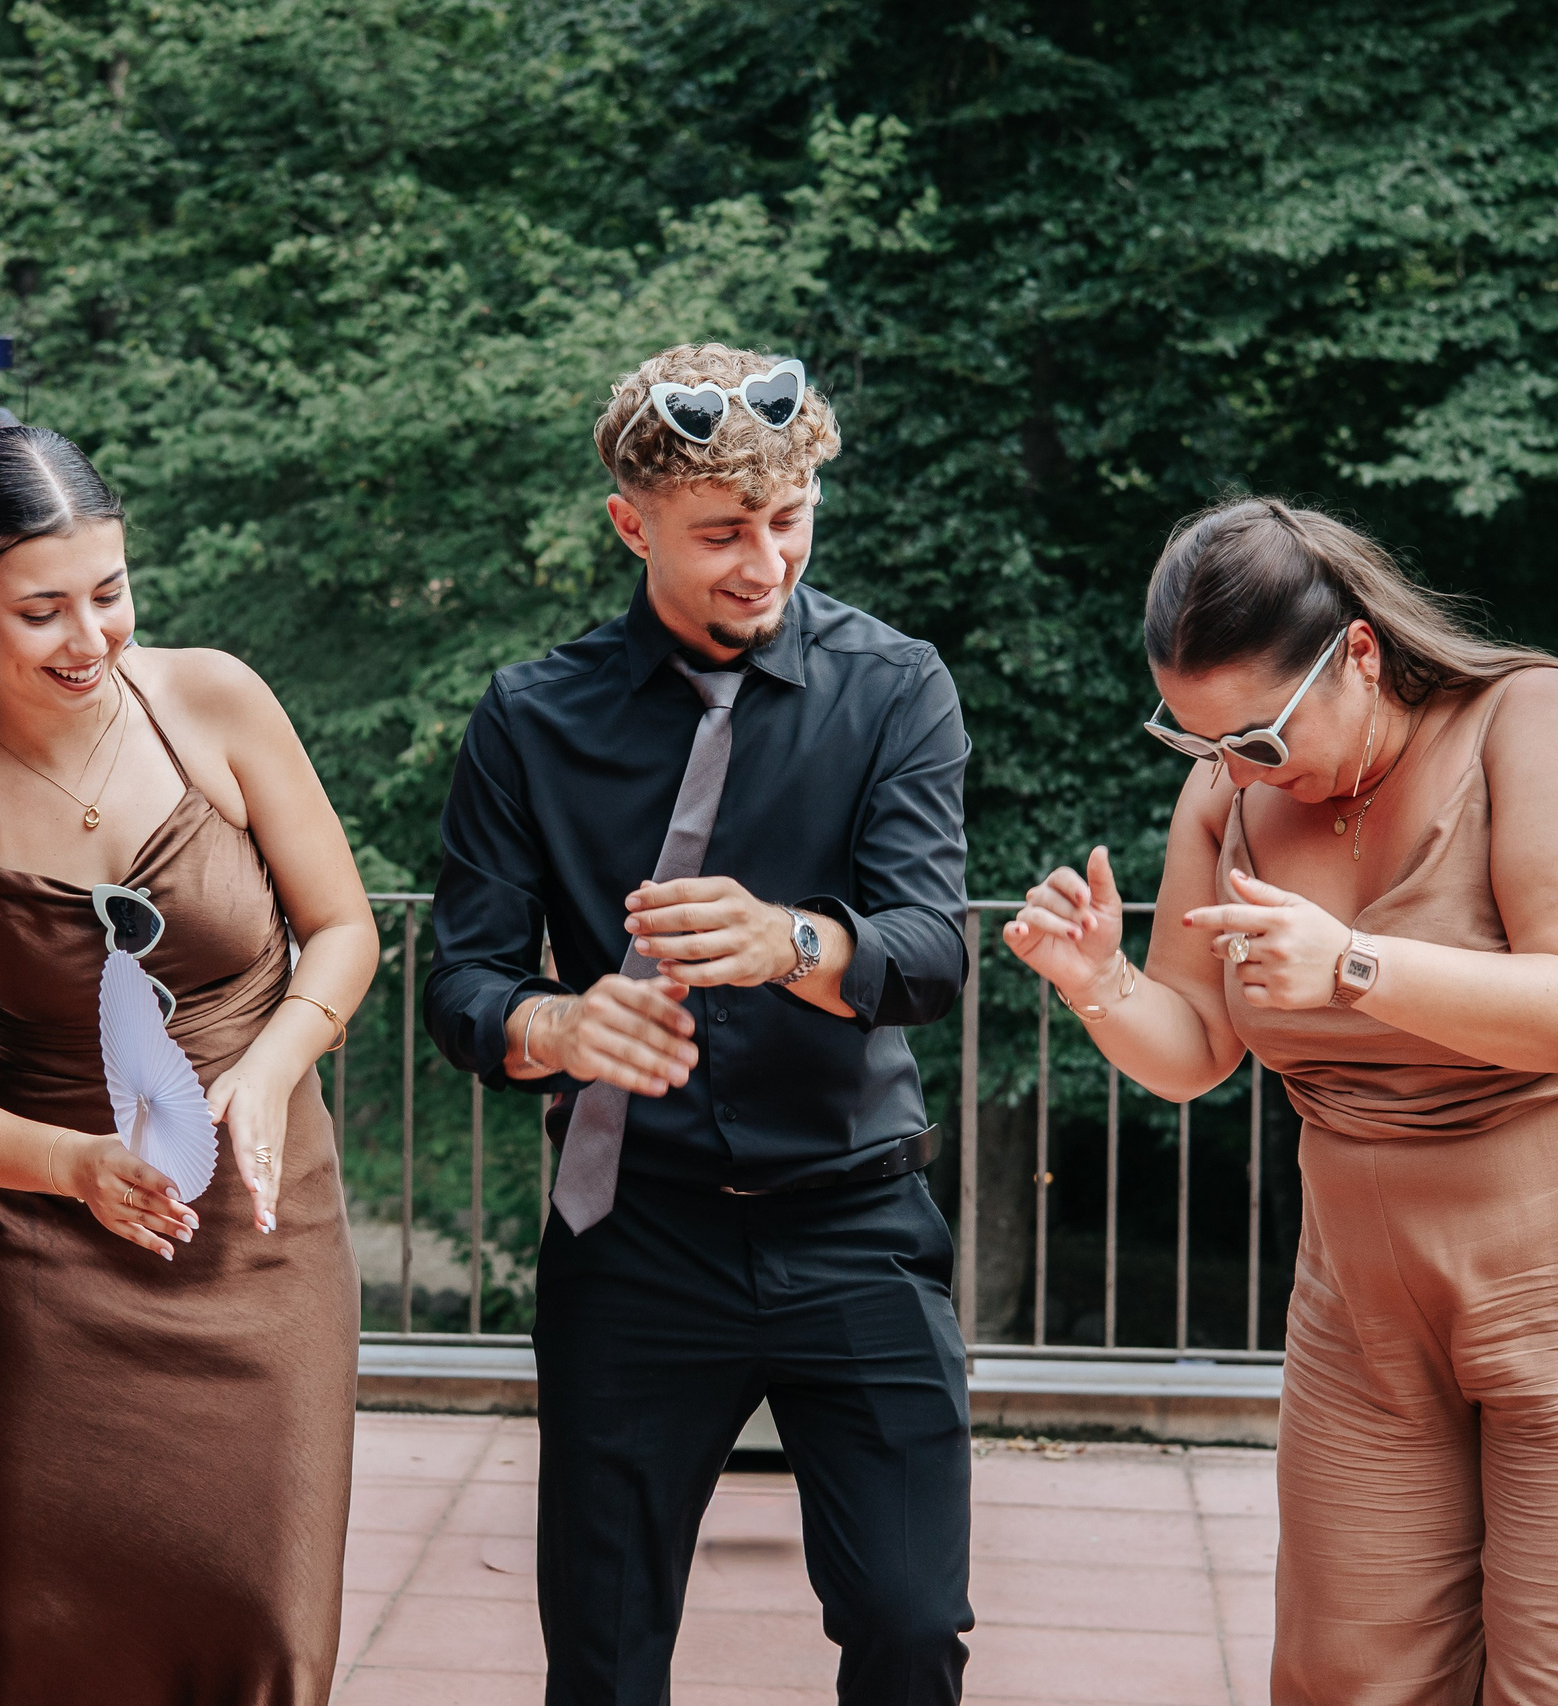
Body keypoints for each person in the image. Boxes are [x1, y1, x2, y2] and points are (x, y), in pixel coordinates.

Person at [1002, 496, 1558, 1702]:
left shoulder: (1530, 718)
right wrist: (1099, 984)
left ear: (1358, 654)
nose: (1234, 767)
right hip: (1365, 1303)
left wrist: (1354, 964)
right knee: (1345, 1678)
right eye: (1198, 742)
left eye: (1257, 735)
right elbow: (1196, 1048)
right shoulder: (1229, 794)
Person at [425, 344, 975, 1704]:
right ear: (632, 523)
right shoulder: (528, 718)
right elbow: (463, 986)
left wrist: (794, 940)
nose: (764, 562)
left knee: (911, 1627)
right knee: (604, 1660)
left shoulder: (896, 687)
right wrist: (558, 1026)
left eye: (789, 521)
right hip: (635, 1237)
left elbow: (928, 952)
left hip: (857, 1221)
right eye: (722, 532)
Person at [0, 403, 374, 1704]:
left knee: (265, 1624)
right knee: (47, 1641)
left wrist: (268, 1067)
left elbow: (344, 929)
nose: (90, 638)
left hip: (265, 1241)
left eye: (111, 592)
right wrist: (78, 1164)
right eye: (43, 610)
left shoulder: (214, 699)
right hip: (48, 1266)